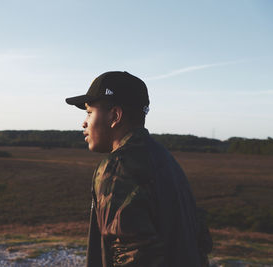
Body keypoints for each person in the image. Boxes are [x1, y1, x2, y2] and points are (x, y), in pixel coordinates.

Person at [66, 71, 212, 267]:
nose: (84, 122)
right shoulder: (165, 159)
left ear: (115, 116)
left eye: (89, 112)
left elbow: (134, 256)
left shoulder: (117, 167)